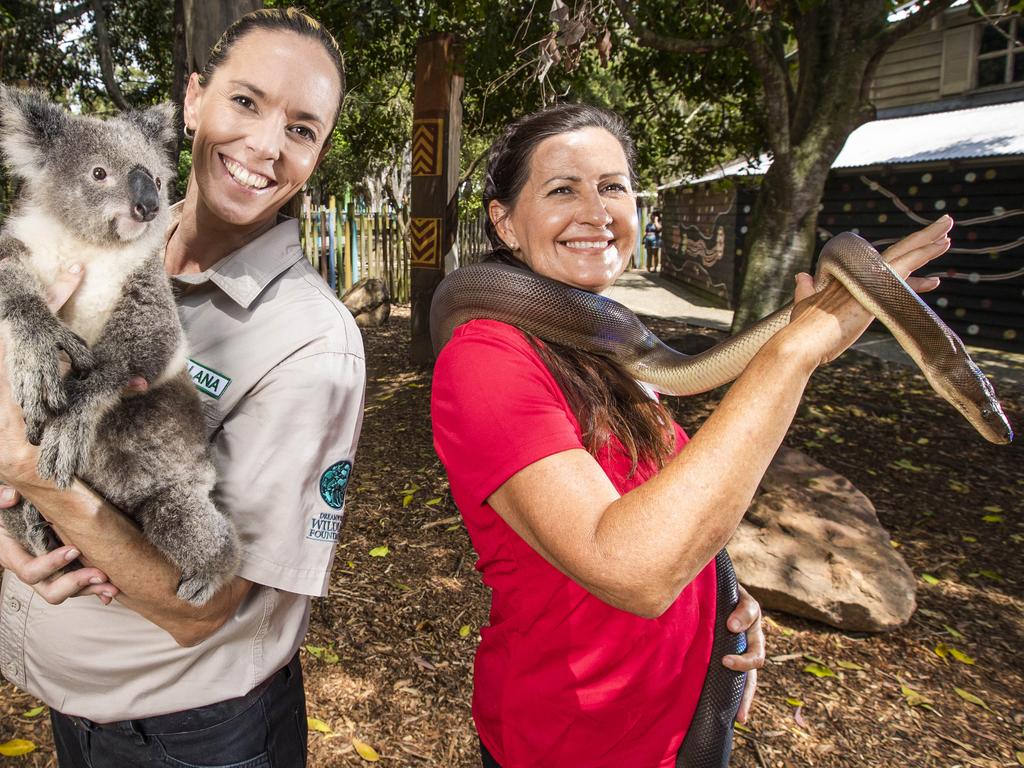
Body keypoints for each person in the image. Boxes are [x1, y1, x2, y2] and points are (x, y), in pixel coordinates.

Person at [430, 104, 951, 768]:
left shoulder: (611, 350)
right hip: (574, 743)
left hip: (673, 729)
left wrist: (719, 600)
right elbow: (631, 570)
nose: (597, 210)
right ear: (505, 220)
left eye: (613, 186)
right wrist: (791, 355)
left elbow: (672, 513)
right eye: (563, 189)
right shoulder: (487, 359)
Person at [0, 8, 364, 767]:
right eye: (246, 102)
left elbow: (208, 614)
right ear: (194, 101)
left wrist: (30, 473)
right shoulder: (87, 233)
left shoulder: (313, 342)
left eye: (302, 129)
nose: (265, 145)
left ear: (319, 154)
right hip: (66, 710)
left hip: (191, 734)